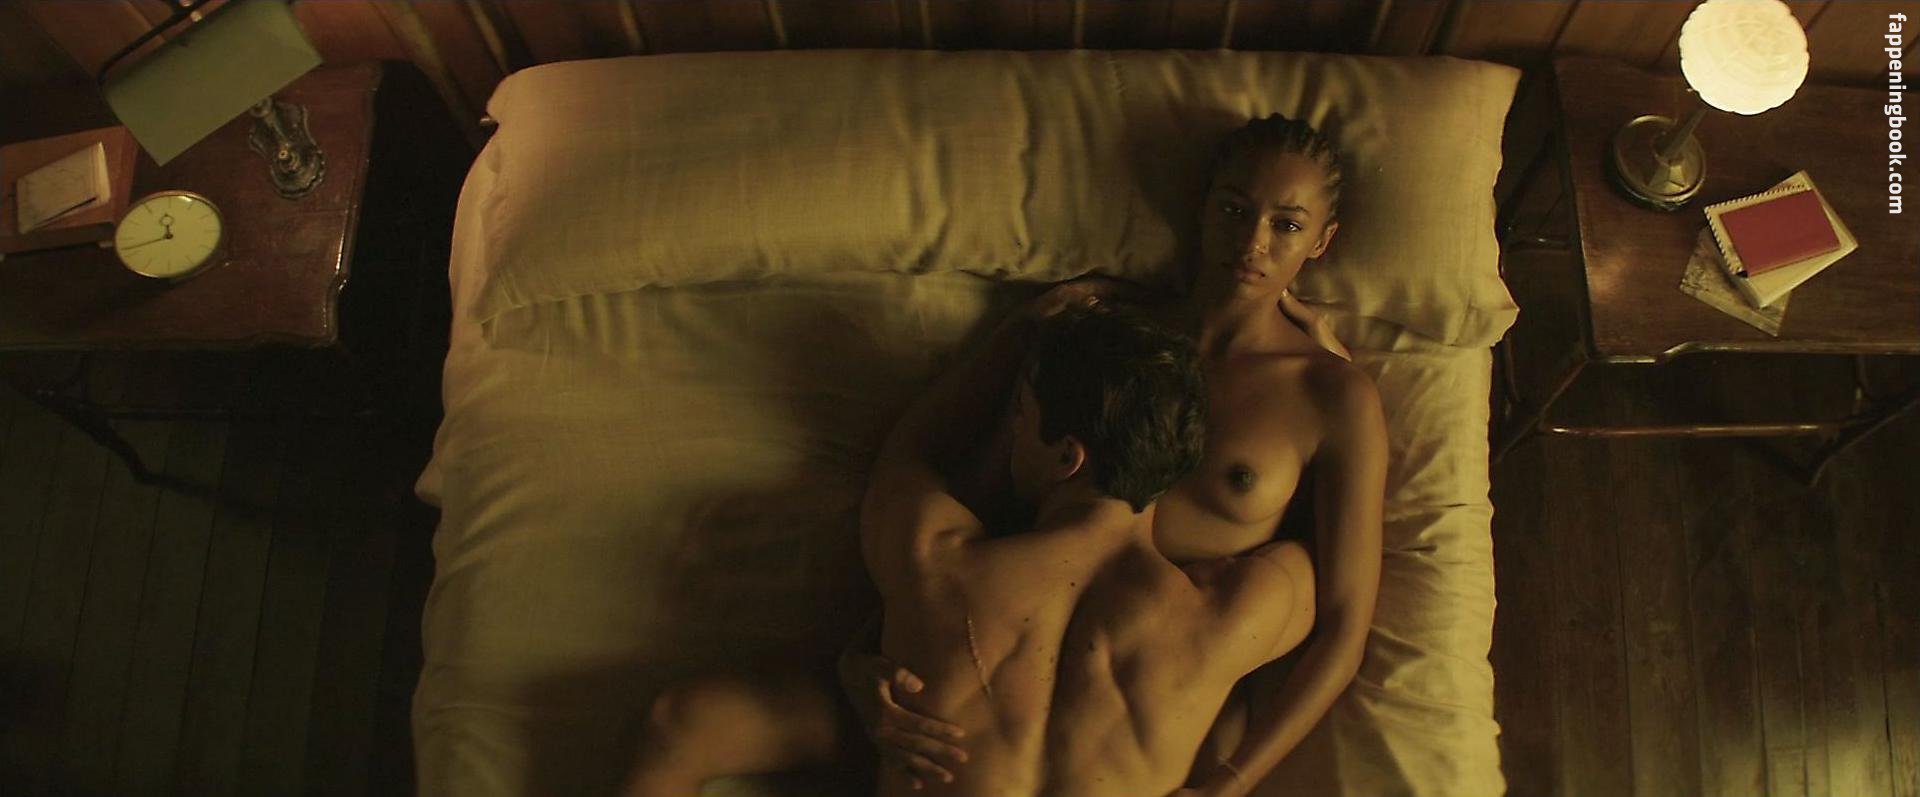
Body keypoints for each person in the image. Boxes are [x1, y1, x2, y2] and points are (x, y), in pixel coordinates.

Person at [845, 113, 1387, 796]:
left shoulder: (1332, 394)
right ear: (1203, 206)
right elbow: (968, 524)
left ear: (1321, 240)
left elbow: (1344, 622)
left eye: (1286, 224)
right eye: (1234, 209)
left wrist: (1233, 778)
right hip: (1011, 672)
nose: (1253, 241)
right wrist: (863, 657)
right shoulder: (1103, 342)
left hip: (1165, 686)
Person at [625, 306, 1318, 796]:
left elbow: (908, 450)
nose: (1011, 435)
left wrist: (1017, 332)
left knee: (680, 720)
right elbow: (1325, 584)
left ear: (1067, 457)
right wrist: (1332, 361)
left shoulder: (937, 555)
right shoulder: (1232, 614)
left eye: (1021, 420)